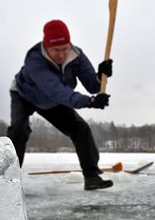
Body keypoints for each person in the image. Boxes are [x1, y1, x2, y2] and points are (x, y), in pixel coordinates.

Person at [8, 19, 113, 190]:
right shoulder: (34, 59)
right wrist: (89, 101)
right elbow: (55, 89)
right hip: (24, 95)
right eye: (56, 50)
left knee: (81, 129)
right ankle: (7, 181)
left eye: (65, 48)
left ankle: (92, 177)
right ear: (46, 46)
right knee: (19, 129)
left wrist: (101, 75)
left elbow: (92, 86)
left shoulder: (76, 55)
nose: (62, 54)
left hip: (53, 100)